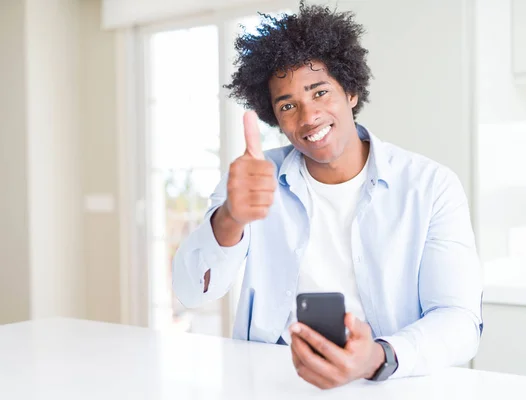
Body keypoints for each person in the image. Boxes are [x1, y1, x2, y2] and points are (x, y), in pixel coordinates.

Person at [172, 1, 483, 389]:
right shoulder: (251, 179)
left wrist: (377, 357)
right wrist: (231, 218)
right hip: (271, 380)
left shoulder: (431, 186)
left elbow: (459, 319)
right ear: (275, 118)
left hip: (387, 379)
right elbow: (191, 291)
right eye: (288, 105)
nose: (308, 117)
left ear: (350, 91)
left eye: (319, 93)